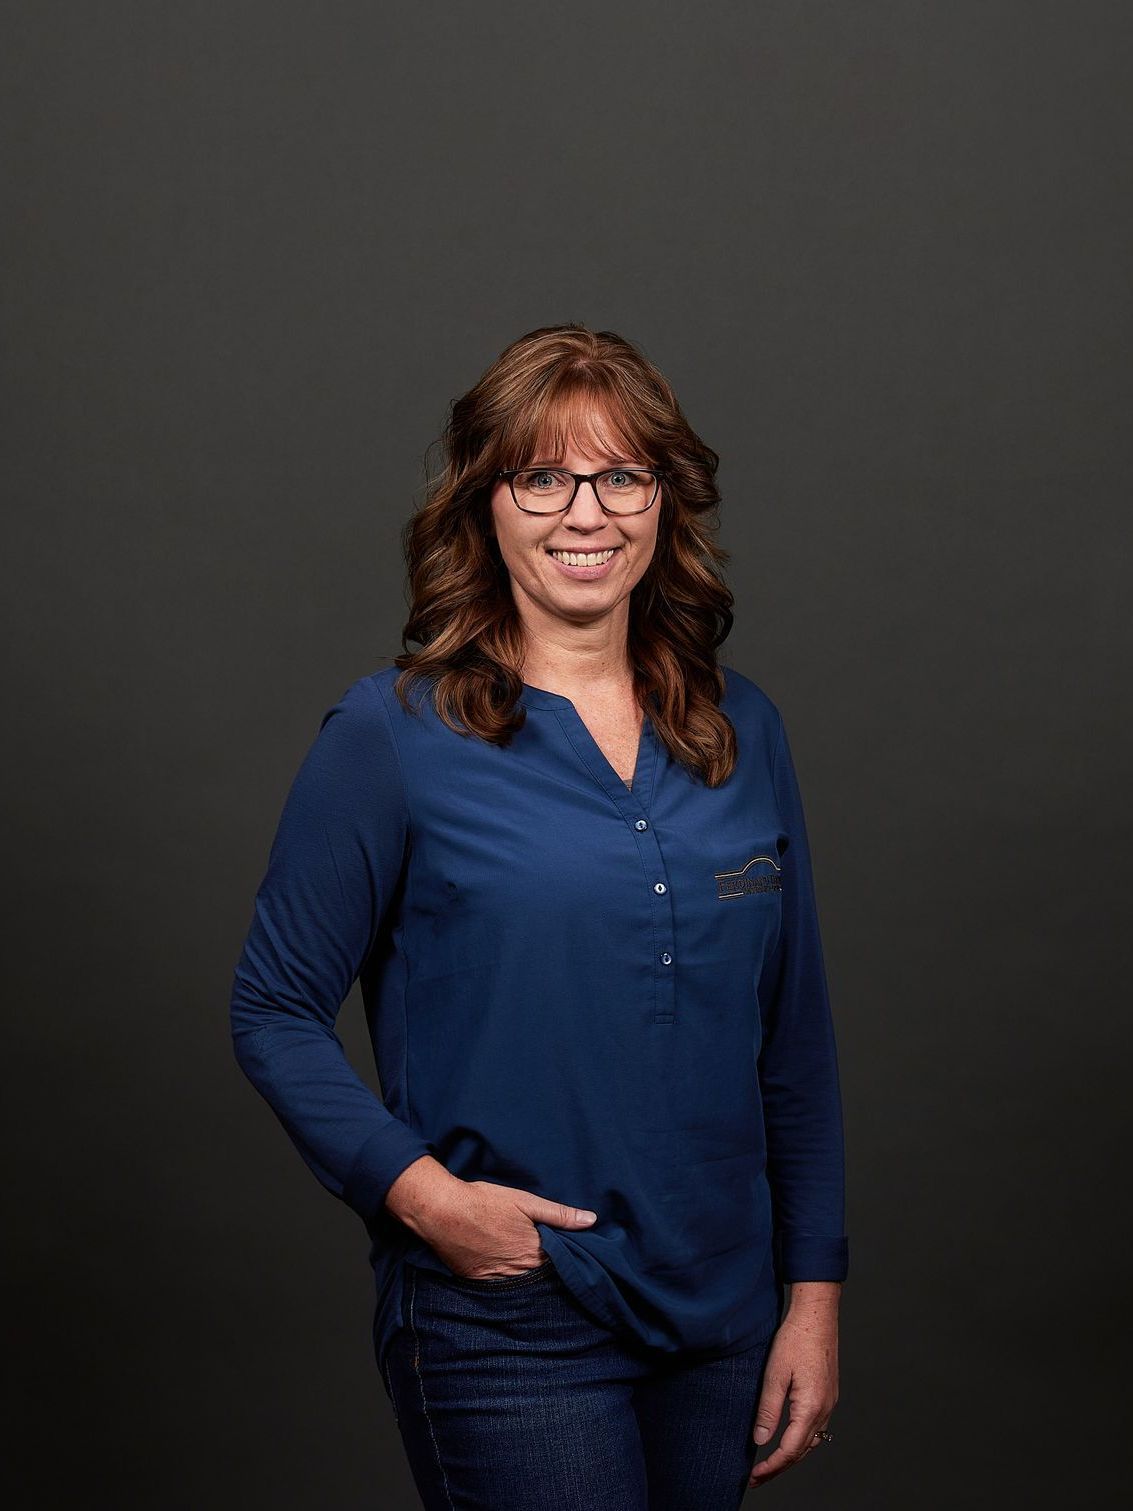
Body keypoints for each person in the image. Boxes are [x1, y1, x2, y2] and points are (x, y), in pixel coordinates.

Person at [229, 323, 848, 1509]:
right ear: (484, 503)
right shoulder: (392, 735)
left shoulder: (740, 730)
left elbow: (794, 1041)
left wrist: (809, 1297)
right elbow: (271, 1007)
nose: (586, 511)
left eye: (622, 474)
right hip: (508, 1316)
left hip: (722, 1313)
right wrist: (423, 1197)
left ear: (664, 500)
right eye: (542, 475)